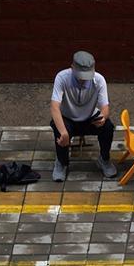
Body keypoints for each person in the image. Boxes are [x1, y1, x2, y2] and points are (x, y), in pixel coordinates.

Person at [50, 51, 117, 181]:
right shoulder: (61, 77)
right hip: (68, 118)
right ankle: (62, 163)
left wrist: (103, 117)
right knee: (59, 129)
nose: (83, 79)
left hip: (89, 118)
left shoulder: (99, 80)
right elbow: (54, 107)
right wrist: (64, 133)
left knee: (108, 127)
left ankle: (104, 159)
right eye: (80, 75)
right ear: (72, 68)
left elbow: (105, 107)